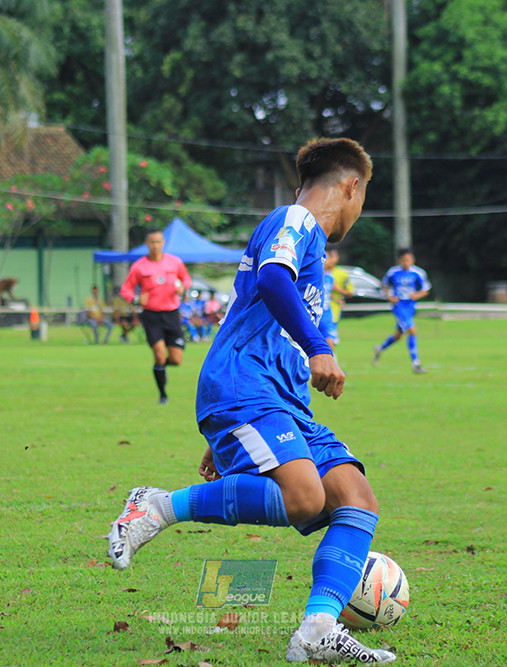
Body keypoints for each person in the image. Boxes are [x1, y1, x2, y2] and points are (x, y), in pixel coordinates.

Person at [107, 138, 396, 664]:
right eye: (364, 194)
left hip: (277, 399)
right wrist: (319, 348)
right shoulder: (297, 219)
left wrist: (230, 442)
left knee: (356, 498)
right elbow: (271, 278)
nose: (360, 207)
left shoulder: (305, 240)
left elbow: (247, 310)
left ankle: (317, 629)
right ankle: (156, 506)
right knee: (306, 498)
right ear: (352, 185)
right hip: (248, 386)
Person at [120, 230, 192, 404]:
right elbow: (125, 290)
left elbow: (187, 280)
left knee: (176, 359)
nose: (155, 246)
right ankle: (163, 395)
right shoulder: (139, 266)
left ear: (163, 243)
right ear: (146, 244)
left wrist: (183, 288)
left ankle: (160, 368)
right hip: (151, 315)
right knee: (159, 355)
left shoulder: (175, 262)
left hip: (172, 314)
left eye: (158, 242)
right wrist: (136, 298)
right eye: (152, 242)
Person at [372, 248, 431, 373]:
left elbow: (425, 290)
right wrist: (389, 297)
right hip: (398, 306)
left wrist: (416, 295)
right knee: (412, 330)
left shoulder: (418, 273)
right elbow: (385, 286)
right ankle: (416, 364)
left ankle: (380, 348)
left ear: (412, 260)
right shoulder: (393, 272)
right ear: (399, 260)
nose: (406, 262)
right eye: (403, 260)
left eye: (408, 260)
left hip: (410, 306)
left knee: (398, 335)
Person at [318, 246, 354, 351]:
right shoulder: (315, 276)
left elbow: (329, 292)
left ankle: (329, 366)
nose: (329, 261)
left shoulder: (330, 277)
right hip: (315, 315)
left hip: (328, 315)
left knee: (330, 344)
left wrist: (337, 299)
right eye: (327, 258)